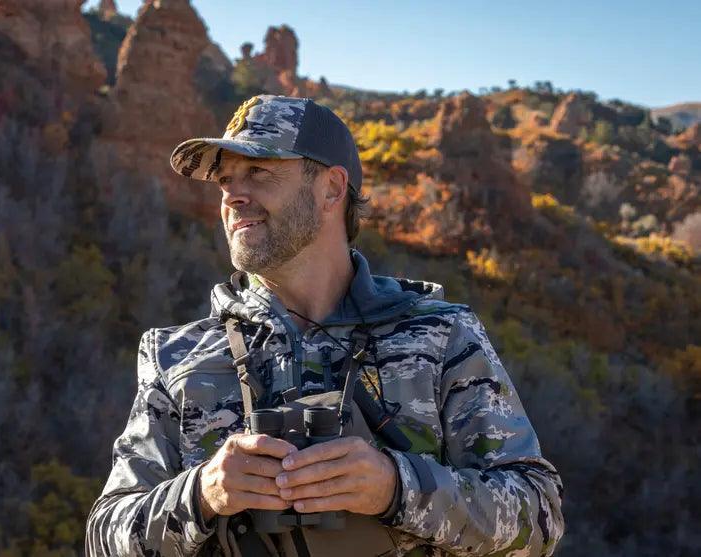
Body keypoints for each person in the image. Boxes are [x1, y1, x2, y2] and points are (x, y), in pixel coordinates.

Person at [85, 95, 564, 556]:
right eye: (224, 180)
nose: (233, 195)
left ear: (333, 188)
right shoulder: (174, 355)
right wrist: (201, 494)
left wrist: (396, 488)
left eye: (258, 170)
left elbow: (538, 517)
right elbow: (105, 539)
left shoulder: (441, 336)